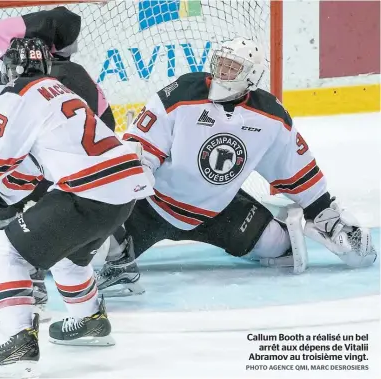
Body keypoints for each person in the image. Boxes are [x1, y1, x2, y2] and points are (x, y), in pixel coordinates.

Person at [96, 37, 377, 297]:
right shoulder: (181, 94)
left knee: (281, 247)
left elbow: (294, 166)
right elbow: (141, 146)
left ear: (251, 77)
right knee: (92, 253)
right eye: (221, 63)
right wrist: (133, 175)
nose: (222, 72)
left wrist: (322, 212)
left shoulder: (270, 117)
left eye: (232, 67)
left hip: (218, 211)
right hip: (151, 208)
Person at [0, 38, 154, 377]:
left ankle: (19, 340)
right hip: (122, 192)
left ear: (10, 69)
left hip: (88, 190)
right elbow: (34, 165)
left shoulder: (18, 94)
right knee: (68, 257)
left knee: (3, 251)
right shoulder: (61, 92)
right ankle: (88, 320)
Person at [0, 7, 116, 320]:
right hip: (91, 109)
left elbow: (5, 158)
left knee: (6, 189)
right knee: (101, 182)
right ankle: (123, 260)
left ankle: (29, 280)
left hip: (52, 139)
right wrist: (61, 62)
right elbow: (67, 19)